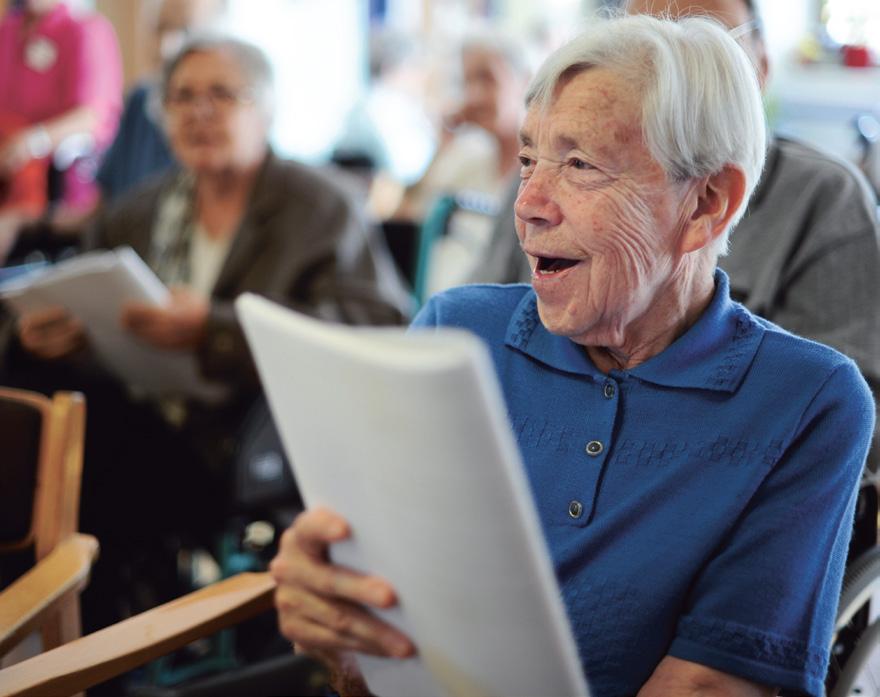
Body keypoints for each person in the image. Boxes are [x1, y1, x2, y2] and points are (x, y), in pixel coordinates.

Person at [268, 15, 874, 697]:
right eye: (528, 160)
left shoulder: (806, 401)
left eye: (580, 165)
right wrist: (335, 621)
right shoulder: (455, 332)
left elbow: (712, 685)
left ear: (706, 202)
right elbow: (377, 645)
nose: (527, 204)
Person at [0, 36, 410, 636]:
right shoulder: (141, 208)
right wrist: (43, 334)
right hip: (143, 416)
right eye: (182, 97)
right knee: (29, 389)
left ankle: (84, 639)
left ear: (265, 111)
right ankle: (55, 628)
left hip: (247, 440)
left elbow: (381, 326)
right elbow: (75, 288)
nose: (200, 111)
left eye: (223, 94)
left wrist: (213, 330)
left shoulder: (320, 206)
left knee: (74, 459)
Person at [0, 0, 122, 232]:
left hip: (51, 178)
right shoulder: (6, 31)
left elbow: (91, 116)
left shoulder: (86, 29)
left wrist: (32, 142)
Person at [95, 0, 226, 204]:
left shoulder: (228, 122)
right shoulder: (139, 100)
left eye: (184, 30)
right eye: (160, 29)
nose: (165, 47)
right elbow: (105, 208)